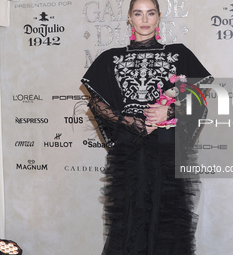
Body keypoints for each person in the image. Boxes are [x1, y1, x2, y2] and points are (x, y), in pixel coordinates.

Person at [81, 0, 213, 254]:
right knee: (130, 218)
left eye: (150, 13)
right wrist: (132, 122)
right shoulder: (111, 58)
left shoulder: (179, 53)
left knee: (167, 219)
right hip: (130, 149)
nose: (144, 19)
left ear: (159, 17)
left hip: (166, 146)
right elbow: (97, 104)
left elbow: (199, 99)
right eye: (138, 13)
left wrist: (169, 111)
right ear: (129, 18)